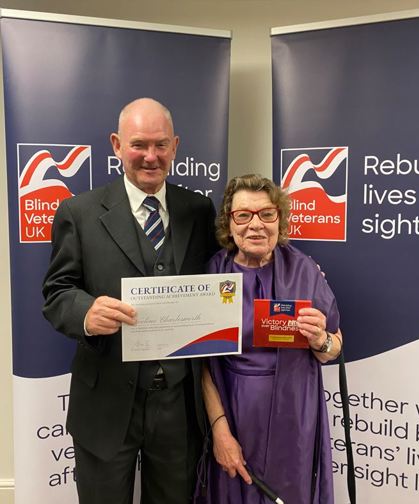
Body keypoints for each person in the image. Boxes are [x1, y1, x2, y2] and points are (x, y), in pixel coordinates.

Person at [42, 98, 218, 504]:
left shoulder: (198, 209)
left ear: (175, 146)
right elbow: (56, 291)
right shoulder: (78, 212)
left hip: (178, 406)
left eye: (160, 145)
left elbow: (220, 281)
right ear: (117, 145)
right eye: (139, 144)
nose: (150, 157)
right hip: (105, 400)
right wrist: (86, 311)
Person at [201, 174, 342, 503]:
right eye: (243, 215)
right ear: (229, 222)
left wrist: (319, 339)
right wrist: (220, 429)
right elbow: (202, 364)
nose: (256, 225)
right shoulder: (213, 273)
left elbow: (333, 348)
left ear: (279, 218)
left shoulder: (304, 270)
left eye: (267, 214)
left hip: (293, 415)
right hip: (233, 409)